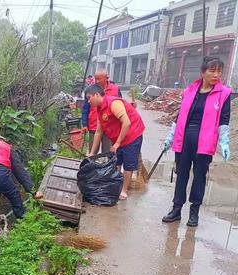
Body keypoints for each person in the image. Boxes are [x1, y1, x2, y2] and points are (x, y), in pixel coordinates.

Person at [162, 57, 232, 227]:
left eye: (219, 71)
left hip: (205, 141)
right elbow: (180, 116)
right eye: (212, 70)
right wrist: (170, 137)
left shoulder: (224, 94)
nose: (216, 75)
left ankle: (194, 212)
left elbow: (224, 120)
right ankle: (176, 209)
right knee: (181, 174)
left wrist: (224, 141)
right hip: (185, 138)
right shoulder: (190, 91)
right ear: (203, 72)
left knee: (199, 176)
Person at [85, 84, 145, 200]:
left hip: (132, 135)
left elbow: (126, 123)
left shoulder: (113, 104)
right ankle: (117, 184)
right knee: (117, 161)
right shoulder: (99, 109)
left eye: (89, 98)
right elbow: (98, 132)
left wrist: (117, 143)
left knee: (128, 164)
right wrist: (92, 153)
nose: (88, 101)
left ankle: (124, 190)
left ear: (97, 95)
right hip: (119, 137)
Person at [82, 70, 122, 154]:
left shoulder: (115, 89)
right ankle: (92, 165)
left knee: (107, 152)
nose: (96, 81)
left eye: (99, 79)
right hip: (94, 125)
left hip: (109, 126)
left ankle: (107, 166)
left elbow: (120, 105)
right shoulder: (91, 90)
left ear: (106, 78)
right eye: (95, 79)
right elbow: (85, 108)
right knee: (92, 152)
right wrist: (85, 124)